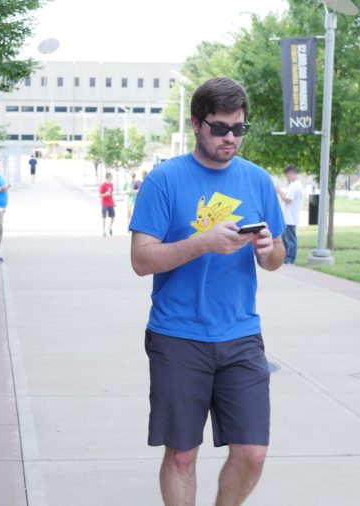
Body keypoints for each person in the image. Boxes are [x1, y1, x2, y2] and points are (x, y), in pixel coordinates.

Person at [129, 76, 285, 505]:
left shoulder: (257, 180)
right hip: (177, 335)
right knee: (182, 455)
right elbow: (141, 260)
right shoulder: (165, 179)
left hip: (241, 334)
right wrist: (204, 242)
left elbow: (276, 259)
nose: (230, 137)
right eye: (220, 128)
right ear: (197, 124)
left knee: (252, 452)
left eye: (239, 128)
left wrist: (269, 249)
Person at [275, 164, 304, 264]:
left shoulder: (295, 185)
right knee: (285, 239)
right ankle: (286, 258)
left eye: (287, 175)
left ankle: (290, 259)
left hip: (290, 218)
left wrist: (279, 191)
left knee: (290, 239)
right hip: (288, 217)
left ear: (291, 173)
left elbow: (287, 199)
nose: (286, 177)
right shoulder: (294, 185)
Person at [100, 172, 115, 236]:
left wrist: (113, 202)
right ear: (108, 177)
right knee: (104, 217)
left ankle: (110, 227)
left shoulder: (111, 184)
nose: (111, 178)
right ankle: (103, 231)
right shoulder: (103, 185)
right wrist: (105, 194)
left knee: (113, 216)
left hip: (110, 203)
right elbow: (100, 195)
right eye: (110, 177)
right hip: (104, 203)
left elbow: (111, 194)